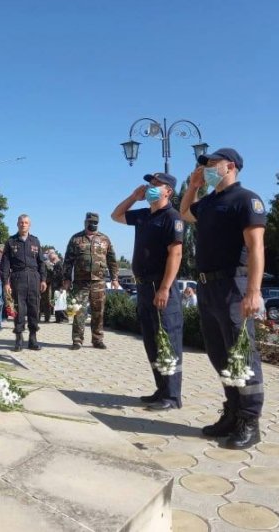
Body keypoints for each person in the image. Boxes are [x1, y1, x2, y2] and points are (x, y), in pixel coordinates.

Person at [180, 147, 266, 450]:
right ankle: (232, 412)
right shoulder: (210, 202)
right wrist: (192, 187)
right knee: (219, 353)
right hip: (207, 287)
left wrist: (253, 292)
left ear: (230, 166)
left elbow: (256, 247)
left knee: (241, 354)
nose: (207, 168)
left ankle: (249, 421)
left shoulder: (246, 199)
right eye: (205, 165)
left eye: (212, 164)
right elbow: (185, 213)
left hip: (234, 284)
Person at [112, 172, 184, 411]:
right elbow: (116, 215)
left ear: (168, 191)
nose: (151, 187)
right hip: (143, 286)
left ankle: (172, 396)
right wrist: (134, 196)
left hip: (159, 285)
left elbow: (176, 254)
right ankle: (161, 390)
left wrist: (164, 288)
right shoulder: (144, 215)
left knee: (167, 340)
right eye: (150, 183)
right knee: (152, 341)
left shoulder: (171, 217)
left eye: (157, 184)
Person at [63, 212, 119, 350]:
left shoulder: (105, 239)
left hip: (99, 282)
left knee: (98, 311)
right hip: (80, 282)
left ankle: (97, 339)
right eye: (90, 222)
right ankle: (77, 340)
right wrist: (66, 279)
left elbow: (112, 260)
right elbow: (68, 261)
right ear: (85, 222)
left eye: (95, 222)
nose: (92, 225)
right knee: (78, 311)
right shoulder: (76, 239)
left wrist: (115, 278)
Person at [0, 214, 47, 351]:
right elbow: (5, 264)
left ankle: (33, 339)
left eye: (26, 223)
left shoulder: (35, 241)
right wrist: (6, 283)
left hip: (34, 277)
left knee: (34, 308)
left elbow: (41, 262)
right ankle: (19, 338)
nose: (23, 224)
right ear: (17, 224)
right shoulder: (11, 242)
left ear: (29, 225)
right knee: (19, 309)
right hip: (18, 277)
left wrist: (43, 279)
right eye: (21, 222)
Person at [50, 251, 69, 323]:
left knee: (61, 302)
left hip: (59, 286)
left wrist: (62, 286)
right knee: (57, 303)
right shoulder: (56, 265)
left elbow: (62, 276)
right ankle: (58, 318)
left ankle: (64, 318)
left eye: (51, 258)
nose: (51, 260)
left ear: (55, 256)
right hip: (55, 286)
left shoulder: (60, 264)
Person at [40, 249, 56, 323]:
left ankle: (46, 317)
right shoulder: (42, 262)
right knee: (40, 301)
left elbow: (52, 271)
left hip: (47, 284)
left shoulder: (47, 263)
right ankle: (39, 317)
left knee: (46, 301)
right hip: (41, 283)